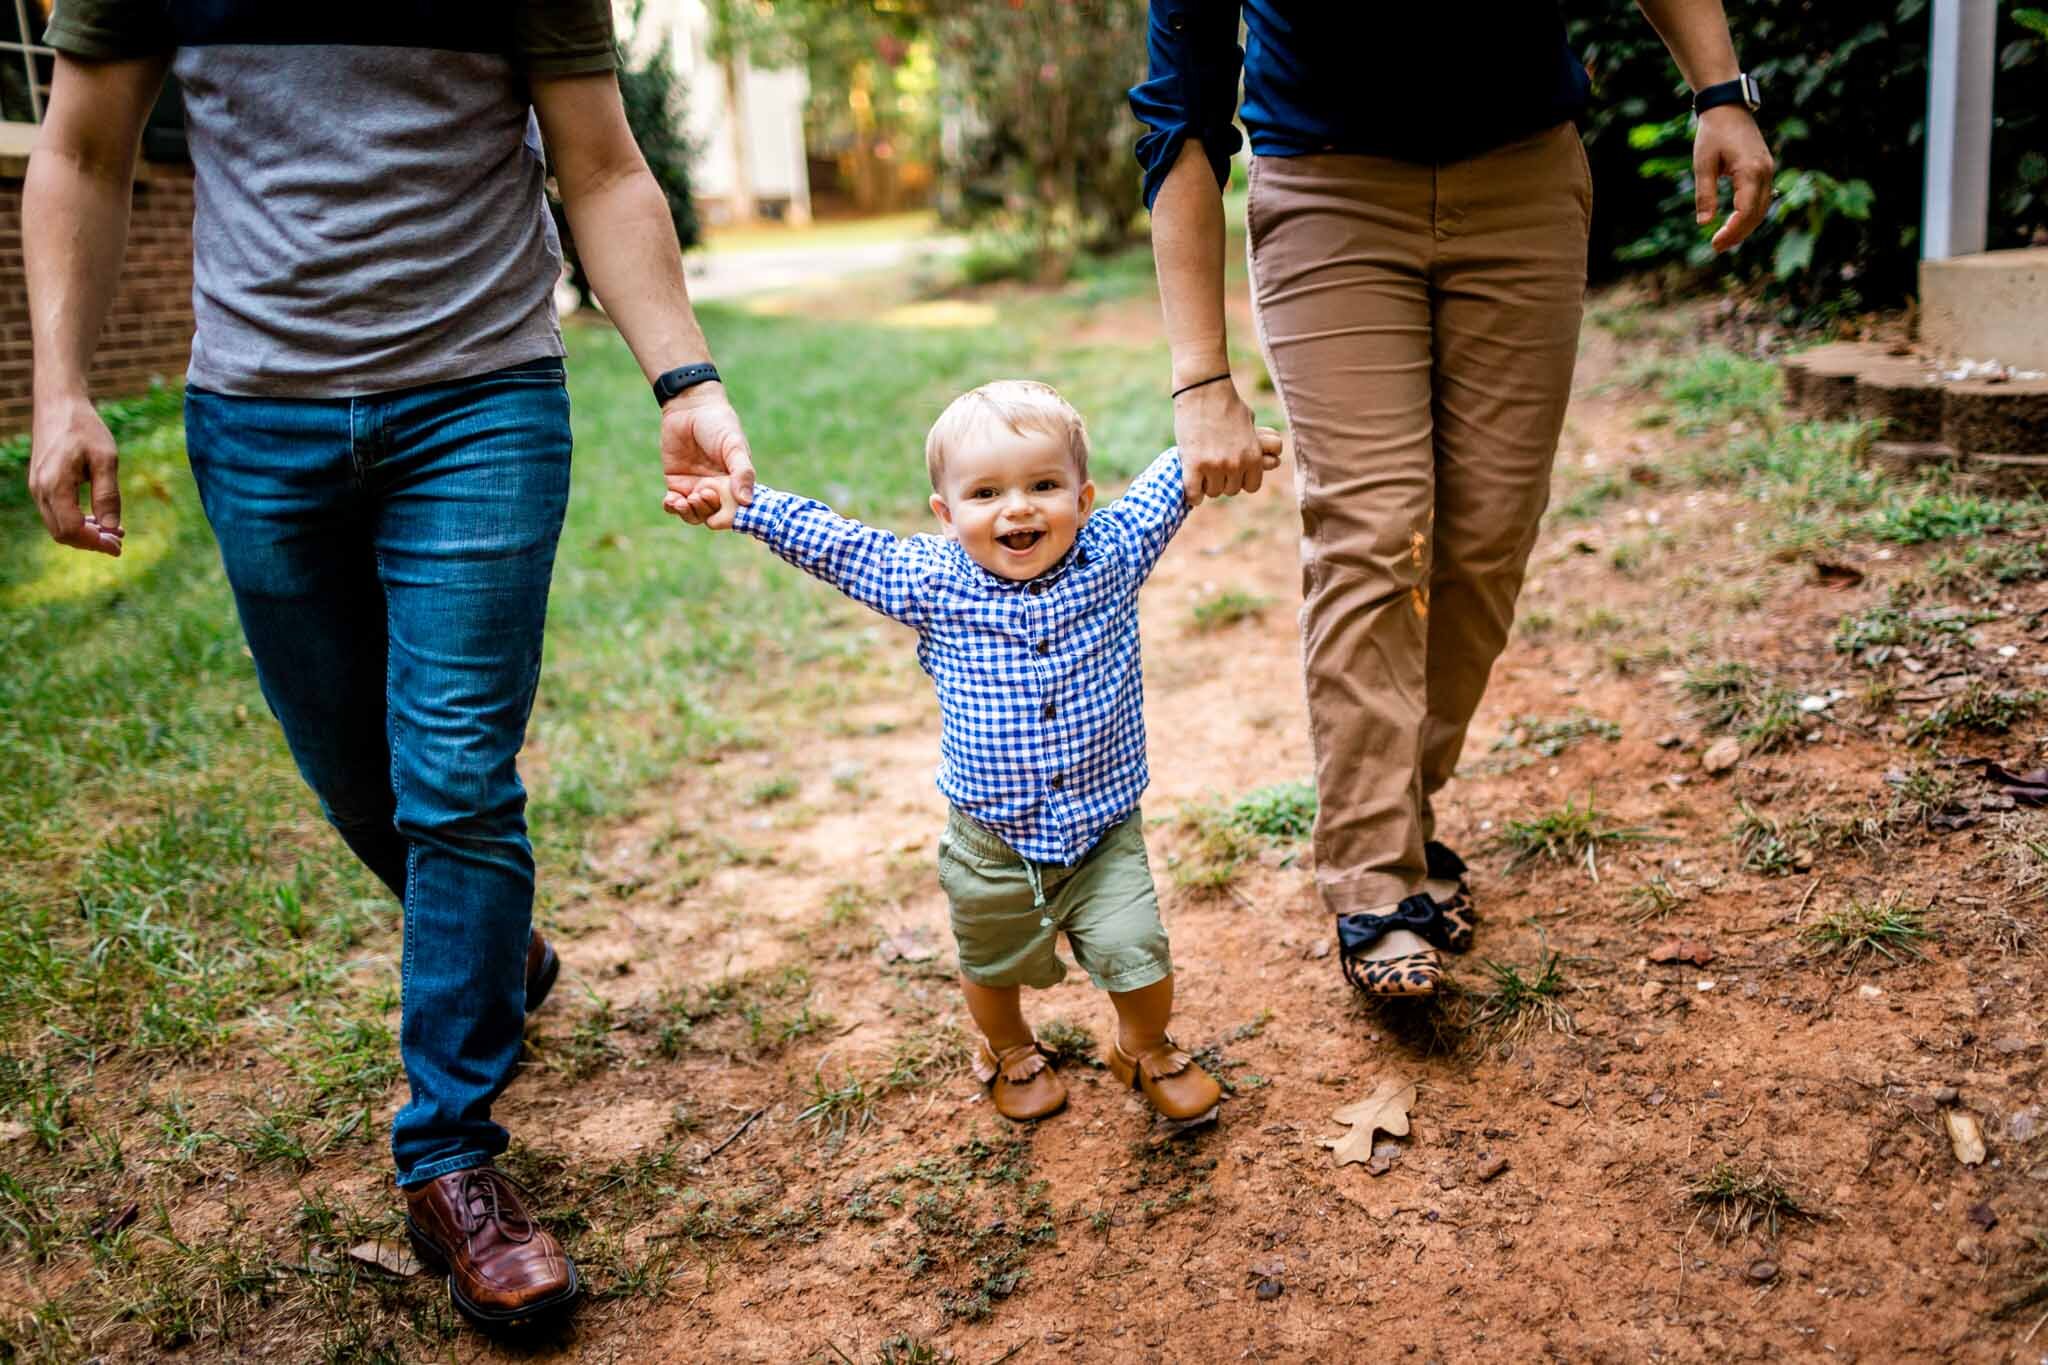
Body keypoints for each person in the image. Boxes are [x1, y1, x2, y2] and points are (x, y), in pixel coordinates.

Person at [25, 2, 753, 1329]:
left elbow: (595, 160)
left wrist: (684, 376)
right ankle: (488, 953)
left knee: (458, 779)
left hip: (480, 398)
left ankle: (451, 1159)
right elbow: (80, 149)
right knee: (358, 778)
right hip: (253, 415)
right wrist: (62, 388)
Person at [1131, 2, 1773, 996]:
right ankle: (1373, 875)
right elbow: (1181, 116)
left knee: (1485, 540)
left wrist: (1719, 92)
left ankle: (1404, 809)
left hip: (1522, 181)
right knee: (1369, 533)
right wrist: (1198, 378)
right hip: (1325, 198)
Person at [690, 381, 1278, 1123]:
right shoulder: (930, 579)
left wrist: (1214, 448)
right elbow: (836, 542)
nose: (1018, 508)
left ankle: (1144, 1045)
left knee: (1141, 955)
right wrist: (748, 505)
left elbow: (1168, 485)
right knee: (991, 964)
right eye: (986, 492)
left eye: (1042, 485)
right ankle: (1010, 1048)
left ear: (1084, 496)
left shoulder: (1115, 553)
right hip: (989, 841)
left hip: (1103, 832)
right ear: (946, 514)